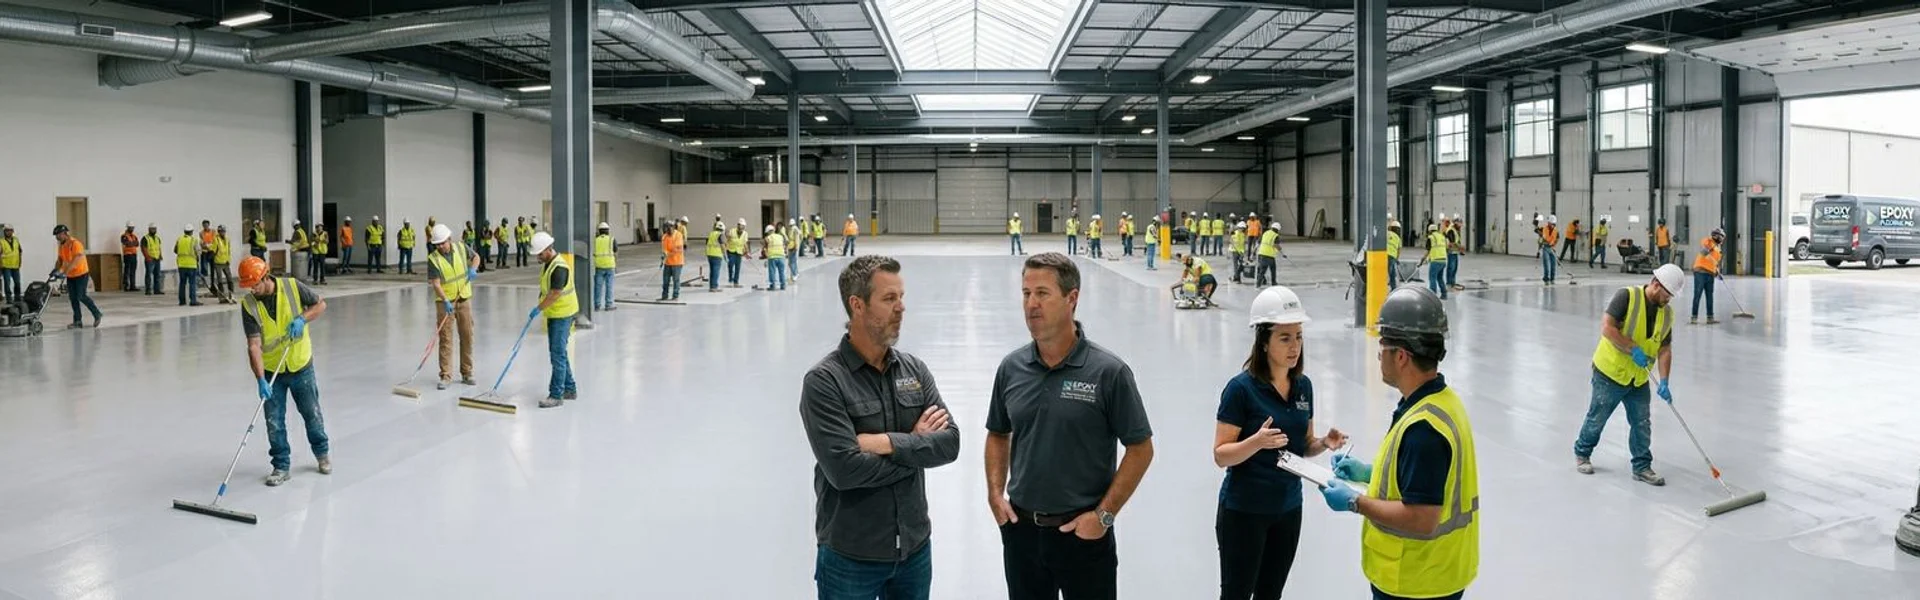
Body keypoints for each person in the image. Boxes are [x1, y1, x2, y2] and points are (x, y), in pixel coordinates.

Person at [986, 252, 1154, 600]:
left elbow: (1141, 448)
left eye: (1042, 293)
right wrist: (995, 493)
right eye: (1025, 293)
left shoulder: (1108, 372)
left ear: (1071, 298)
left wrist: (1103, 517)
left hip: (1083, 535)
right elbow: (998, 433)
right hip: (1022, 534)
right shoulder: (1011, 368)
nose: (1031, 303)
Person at [800, 255, 960, 600]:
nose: (901, 308)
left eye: (901, 297)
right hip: (850, 557)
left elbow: (950, 444)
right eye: (889, 299)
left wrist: (885, 442)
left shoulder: (913, 370)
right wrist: (916, 445)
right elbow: (844, 471)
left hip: (914, 551)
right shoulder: (825, 382)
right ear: (857, 305)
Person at [1321, 286, 1479, 600]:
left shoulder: (1424, 429)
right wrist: (1367, 473)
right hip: (1437, 573)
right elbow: (1423, 478)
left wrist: (1355, 501)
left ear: (1402, 356)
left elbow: (1422, 519)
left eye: (1383, 347)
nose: (1379, 355)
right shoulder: (1439, 401)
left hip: (1416, 581)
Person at [1215, 286, 1349, 600]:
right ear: (1264, 342)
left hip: (1288, 509)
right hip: (1245, 510)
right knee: (1235, 593)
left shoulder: (1304, 387)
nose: (1295, 347)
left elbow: (1301, 446)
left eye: (1299, 337)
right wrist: (1256, 442)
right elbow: (1221, 455)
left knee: (1270, 594)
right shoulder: (1240, 390)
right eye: (1285, 338)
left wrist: (1322, 443)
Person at [1574, 264, 1684, 486]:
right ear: (1655, 284)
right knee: (1598, 416)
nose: (1668, 299)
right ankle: (1582, 451)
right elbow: (1607, 327)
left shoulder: (1667, 313)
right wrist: (1632, 347)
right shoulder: (1627, 296)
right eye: (1667, 294)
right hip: (1610, 372)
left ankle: (1642, 467)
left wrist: (1664, 381)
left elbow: (1665, 349)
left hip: (1638, 378)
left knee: (1641, 422)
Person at [235, 256, 331, 487]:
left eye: (255, 284)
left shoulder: (292, 287)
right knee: (274, 421)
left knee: (311, 414)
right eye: (248, 286)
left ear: (265, 277)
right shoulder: (249, 305)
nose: (252, 289)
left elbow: (320, 304)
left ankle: (322, 454)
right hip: (271, 371)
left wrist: (302, 319)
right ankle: (281, 465)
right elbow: (254, 345)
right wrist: (260, 379)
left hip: (300, 364)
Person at [426, 223, 480, 390]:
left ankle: (467, 372)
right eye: (438, 244)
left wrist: (473, 269)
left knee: (467, 336)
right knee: (446, 339)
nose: (441, 246)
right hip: (445, 304)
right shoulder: (433, 259)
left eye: (443, 242)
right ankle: (446, 376)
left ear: (449, 239)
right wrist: (446, 301)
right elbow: (436, 284)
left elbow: (476, 257)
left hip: (464, 299)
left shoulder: (461, 248)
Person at [529, 232, 579, 408]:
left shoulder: (559, 267)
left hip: (562, 314)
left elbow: (555, 293)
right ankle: (570, 389)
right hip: (555, 313)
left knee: (557, 354)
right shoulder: (548, 263)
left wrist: (539, 308)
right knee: (559, 352)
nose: (538, 257)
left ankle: (556, 394)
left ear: (548, 249)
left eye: (540, 254)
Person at [49, 225, 102, 328]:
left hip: (81, 274)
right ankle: (77, 321)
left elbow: (76, 260)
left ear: (65, 233)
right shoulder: (62, 246)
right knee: (73, 298)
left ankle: (97, 314)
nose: (57, 237)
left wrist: (64, 272)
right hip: (71, 275)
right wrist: (56, 270)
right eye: (56, 235)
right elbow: (60, 260)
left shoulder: (75, 244)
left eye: (58, 235)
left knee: (81, 296)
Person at [1691, 227, 1725, 324]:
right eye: (1720, 236)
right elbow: (1704, 252)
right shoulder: (1708, 241)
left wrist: (1718, 272)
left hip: (1710, 274)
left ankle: (1710, 318)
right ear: (1715, 235)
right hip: (1700, 272)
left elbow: (1715, 264)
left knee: (1710, 296)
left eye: (1723, 237)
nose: (1722, 239)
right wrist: (1713, 260)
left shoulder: (1718, 251)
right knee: (1697, 294)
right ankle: (1694, 317)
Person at [174, 225, 203, 306]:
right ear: (192, 231)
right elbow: (198, 252)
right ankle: (193, 300)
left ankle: (182, 301)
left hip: (181, 265)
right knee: (192, 283)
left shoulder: (179, 239)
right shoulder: (194, 240)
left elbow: (175, 250)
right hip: (191, 265)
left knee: (182, 283)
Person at [593, 222, 620, 308]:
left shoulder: (595, 240)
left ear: (599, 231)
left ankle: (597, 304)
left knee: (598, 286)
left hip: (599, 266)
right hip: (610, 266)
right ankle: (609, 304)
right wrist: (616, 264)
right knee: (609, 286)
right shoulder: (612, 239)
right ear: (608, 231)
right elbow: (615, 252)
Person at [660, 219, 685, 301]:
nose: (667, 229)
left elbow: (678, 248)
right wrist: (664, 255)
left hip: (677, 262)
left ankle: (675, 296)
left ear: (673, 227)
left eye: (669, 227)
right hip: (668, 263)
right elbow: (664, 249)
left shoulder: (678, 235)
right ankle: (664, 295)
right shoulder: (664, 237)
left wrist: (668, 253)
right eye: (666, 228)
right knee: (665, 280)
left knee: (676, 280)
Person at [1425, 224, 1449, 299]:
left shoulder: (1430, 238)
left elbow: (1428, 251)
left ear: (1429, 231)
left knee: (1432, 278)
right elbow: (1446, 248)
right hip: (1443, 260)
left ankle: (1433, 296)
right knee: (1440, 278)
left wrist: (1422, 259)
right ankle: (1444, 294)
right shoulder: (1442, 237)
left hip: (1435, 261)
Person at [763, 224, 788, 291]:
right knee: (782, 272)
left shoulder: (768, 238)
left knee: (772, 272)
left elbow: (765, 247)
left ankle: (772, 286)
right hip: (781, 257)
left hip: (772, 257)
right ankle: (783, 285)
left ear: (768, 231)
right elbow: (785, 244)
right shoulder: (780, 237)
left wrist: (766, 257)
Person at [1256, 223, 1281, 287]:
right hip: (1269, 255)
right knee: (1271, 269)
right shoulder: (1275, 235)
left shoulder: (1265, 233)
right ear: (1278, 229)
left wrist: (1253, 251)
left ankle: (1260, 283)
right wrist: (1280, 249)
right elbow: (1276, 245)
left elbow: (1259, 242)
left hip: (1261, 253)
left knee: (1263, 269)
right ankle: (1272, 282)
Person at [703, 221, 725, 294]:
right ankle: (714, 287)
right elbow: (722, 245)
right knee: (716, 271)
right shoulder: (720, 234)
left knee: (712, 271)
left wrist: (706, 252)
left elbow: (707, 244)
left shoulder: (711, 234)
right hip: (717, 255)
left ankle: (711, 286)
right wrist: (725, 255)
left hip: (710, 254)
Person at [142, 224, 164, 295]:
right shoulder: (145, 238)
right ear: (149, 229)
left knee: (157, 275)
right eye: (152, 229)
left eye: (154, 229)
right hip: (150, 259)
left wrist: (160, 255)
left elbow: (158, 247)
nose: (154, 230)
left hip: (157, 259)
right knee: (149, 275)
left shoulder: (157, 238)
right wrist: (147, 257)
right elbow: (144, 248)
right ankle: (148, 290)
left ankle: (157, 290)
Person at [0, 224, 20, 304]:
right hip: (6, 266)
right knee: (7, 283)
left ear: (13, 231)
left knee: (17, 283)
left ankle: (17, 298)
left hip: (15, 265)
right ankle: (9, 299)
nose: (9, 232)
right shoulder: (1, 241)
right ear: (4, 232)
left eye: (10, 230)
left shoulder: (16, 240)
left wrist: (19, 262)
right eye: (7, 230)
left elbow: (19, 251)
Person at [117, 222, 139, 292]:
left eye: (132, 227)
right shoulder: (124, 236)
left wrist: (131, 244)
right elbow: (126, 243)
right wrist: (132, 244)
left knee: (133, 271)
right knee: (127, 271)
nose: (132, 229)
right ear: (127, 227)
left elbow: (137, 244)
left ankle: (133, 286)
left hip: (134, 255)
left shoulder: (134, 236)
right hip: (127, 255)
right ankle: (126, 286)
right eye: (130, 227)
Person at [1538, 215, 1559, 284]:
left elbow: (1557, 239)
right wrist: (1541, 239)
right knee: (1546, 264)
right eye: (1551, 223)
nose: (1552, 225)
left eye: (1553, 224)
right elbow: (1537, 230)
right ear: (1548, 222)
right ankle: (1546, 279)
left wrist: (1553, 244)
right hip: (1545, 248)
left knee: (1553, 264)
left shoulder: (1556, 231)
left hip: (1552, 248)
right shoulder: (1544, 228)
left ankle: (1552, 279)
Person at [728, 218, 748, 288]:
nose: (741, 228)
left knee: (737, 267)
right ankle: (731, 278)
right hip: (731, 251)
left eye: (742, 226)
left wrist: (747, 252)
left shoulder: (745, 233)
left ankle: (736, 282)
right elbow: (728, 239)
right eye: (740, 226)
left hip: (739, 252)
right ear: (738, 225)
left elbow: (745, 243)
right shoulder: (732, 231)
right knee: (730, 264)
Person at [289, 220, 308, 285]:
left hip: (299, 250)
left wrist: (288, 241)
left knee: (298, 267)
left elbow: (294, 241)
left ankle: (298, 278)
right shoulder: (302, 231)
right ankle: (303, 277)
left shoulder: (297, 232)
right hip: (304, 249)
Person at [1385, 221, 1403, 289]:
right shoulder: (1398, 238)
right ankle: (1392, 289)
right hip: (1392, 257)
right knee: (1391, 274)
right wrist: (1397, 259)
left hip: (1384, 255)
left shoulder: (1386, 233)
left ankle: (1393, 288)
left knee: (1390, 273)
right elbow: (1399, 251)